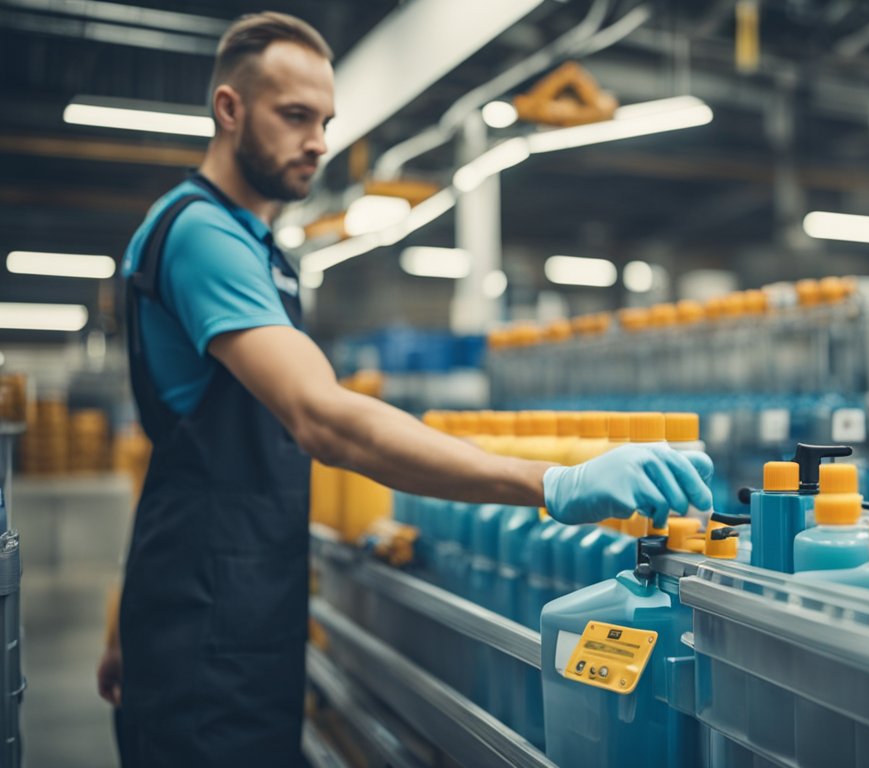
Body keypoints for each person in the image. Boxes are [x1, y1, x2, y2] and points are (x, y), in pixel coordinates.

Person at [96, 12, 713, 767]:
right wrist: (552, 482)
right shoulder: (204, 235)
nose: (319, 141)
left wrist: (122, 615)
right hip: (209, 621)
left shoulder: (259, 247)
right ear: (229, 110)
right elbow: (324, 421)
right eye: (294, 116)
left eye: (324, 119)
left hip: (224, 600)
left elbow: (176, 451)